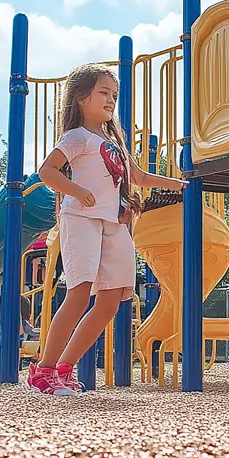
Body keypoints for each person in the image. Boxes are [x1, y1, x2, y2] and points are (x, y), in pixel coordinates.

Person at [30, 63, 183, 395]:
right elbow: (47, 171)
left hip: (114, 224)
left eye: (114, 94)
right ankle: (43, 371)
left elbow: (139, 178)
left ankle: (66, 367)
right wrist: (76, 191)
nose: (111, 99)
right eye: (103, 92)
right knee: (79, 292)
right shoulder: (77, 137)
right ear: (82, 98)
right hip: (82, 218)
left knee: (111, 300)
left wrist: (182, 184)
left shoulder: (113, 141)